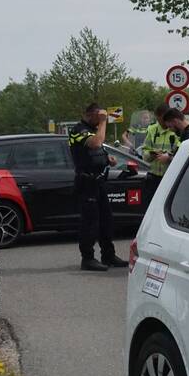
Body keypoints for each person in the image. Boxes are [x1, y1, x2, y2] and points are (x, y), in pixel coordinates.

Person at [69, 104, 128, 272]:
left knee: (106, 221)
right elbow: (95, 143)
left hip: (99, 182)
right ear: (90, 114)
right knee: (90, 222)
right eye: (100, 115)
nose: (103, 118)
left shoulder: (92, 129)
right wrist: (103, 122)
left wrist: (107, 158)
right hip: (87, 182)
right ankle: (87, 258)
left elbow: (95, 151)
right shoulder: (78, 129)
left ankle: (108, 255)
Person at [141, 103, 180, 200]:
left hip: (170, 177)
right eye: (158, 120)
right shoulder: (152, 130)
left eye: (163, 119)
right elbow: (144, 153)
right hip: (153, 177)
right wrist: (151, 154)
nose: (161, 123)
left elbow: (181, 154)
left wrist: (169, 157)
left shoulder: (176, 131)